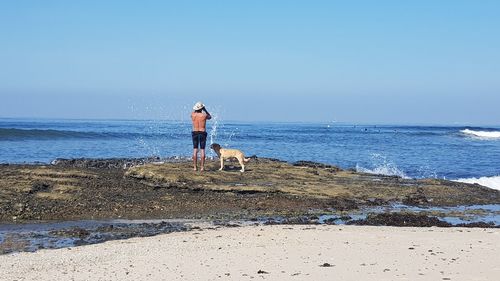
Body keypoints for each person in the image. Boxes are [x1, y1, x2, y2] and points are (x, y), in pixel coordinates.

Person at [191, 102, 212, 171]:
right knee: (202, 150)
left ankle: (194, 167)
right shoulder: (204, 115)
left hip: (195, 132)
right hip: (202, 132)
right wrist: (205, 110)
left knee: (195, 149)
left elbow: (194, 112)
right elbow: (210, 117)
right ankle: (202, 167)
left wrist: (197, 109)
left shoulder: (192, 114)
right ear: (202, 108)